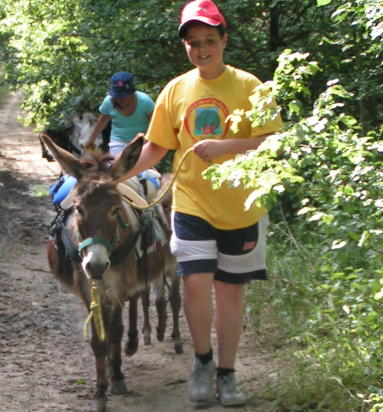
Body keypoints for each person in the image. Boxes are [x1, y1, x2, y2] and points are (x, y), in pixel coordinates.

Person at [120, 0, 283, 406]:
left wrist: (227, 146)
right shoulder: (175, 90)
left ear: (224, 40)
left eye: (209, 40)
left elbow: (275, 141)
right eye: (193, 43)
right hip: (191, 202)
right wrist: (116, 177)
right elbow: (158, 146)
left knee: (230, 292)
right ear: (185, 47)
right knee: (194, 285)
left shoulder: (250, 86)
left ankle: (227, 374)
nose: (202, 49)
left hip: (243, 206)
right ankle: (203, 361)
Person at [84, 71, 155, 157]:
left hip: (141, 141)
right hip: (118, 141)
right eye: (118, 96)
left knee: (140, 168)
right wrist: (91, 141)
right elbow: (102, 120)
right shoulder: (109, 101)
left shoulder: (145, 101)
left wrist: (146, 142)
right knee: (119, 167)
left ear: (132, 92)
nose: (120, 100)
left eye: (124, 96)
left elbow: (154, 124)